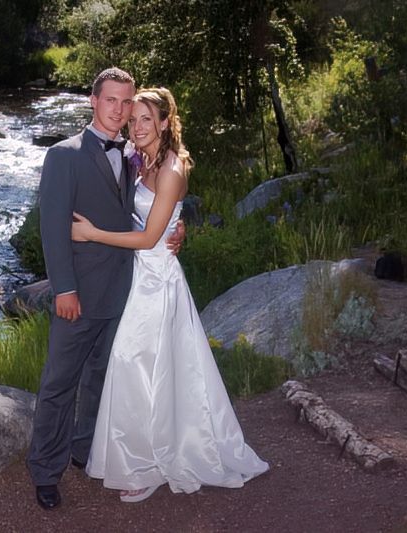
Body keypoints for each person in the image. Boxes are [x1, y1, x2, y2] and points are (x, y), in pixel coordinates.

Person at [72, 87, 270, 503]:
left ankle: (149, 464)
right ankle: (138, 456)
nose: (137, 126)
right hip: (133, 276)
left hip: (155, 280)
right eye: (134, 118)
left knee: (138, 364)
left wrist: (91, 233)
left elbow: (147, 238)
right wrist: (179, 228)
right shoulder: (134, 155)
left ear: (165, 122)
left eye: (147, 118)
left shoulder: (172, 169)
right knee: (142, 368)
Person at [27, 68, 184, 510]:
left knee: (100, 378)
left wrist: (177, 223)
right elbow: (53, 229)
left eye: (126, 103)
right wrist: (63, 289)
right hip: (79, 294)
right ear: (93, 101)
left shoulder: (137, 152)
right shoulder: (65, 155)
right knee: (59, 384)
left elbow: (153, 205)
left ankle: (83, 449)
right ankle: (45, 469)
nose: (119, 110)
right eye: (111, 100)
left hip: (126, 292)